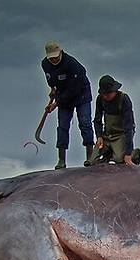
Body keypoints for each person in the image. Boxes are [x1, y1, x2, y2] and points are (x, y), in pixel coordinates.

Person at [41, 41, 95, 169]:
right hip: (62, 94)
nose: (54, 60)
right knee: (63, 126)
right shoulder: (45, 64)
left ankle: (90, 157)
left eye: (56, 56)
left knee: (85, 123)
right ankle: (61, 160)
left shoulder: (71, 64)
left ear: (61, 52)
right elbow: (51, 79)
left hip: (81, 93)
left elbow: (73, 90)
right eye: (51, 58)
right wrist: (53, 90)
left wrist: (56, 103)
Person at [89, 75, 140, 166]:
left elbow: (129, 127)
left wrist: (128, 153)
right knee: (92, 162)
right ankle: (108, 153)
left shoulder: (124, 99)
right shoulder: (100, 99)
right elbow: (97, 120)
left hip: (120, 135)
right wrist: (99, 136)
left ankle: (134, 154)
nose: (106, 96)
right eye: (104, 93)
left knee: (119, 160)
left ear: (114, 90)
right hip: (106, 135)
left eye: (108, 93)